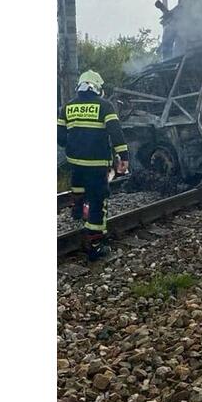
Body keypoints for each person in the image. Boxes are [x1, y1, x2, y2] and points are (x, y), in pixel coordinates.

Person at [57, 70, 130, 261]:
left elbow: (60, 138)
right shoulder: (104, 106)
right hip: (97, 164)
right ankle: (95, 245)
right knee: (98, 201)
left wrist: (74, 144)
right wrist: (123, 156)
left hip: (75, 162)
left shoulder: (67, 107)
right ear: (97, 87)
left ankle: (78, 211)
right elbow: (116, 133)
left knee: (78, 187)